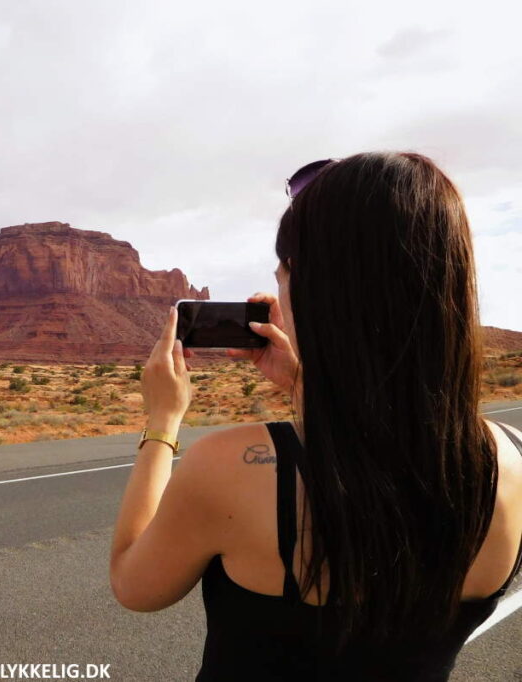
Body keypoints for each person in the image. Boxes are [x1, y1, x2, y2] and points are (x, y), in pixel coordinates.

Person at [108, 151, 522, 681]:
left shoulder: (231, 467)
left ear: (316, 288)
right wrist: (305, 384)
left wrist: (162, 424)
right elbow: (381, 456)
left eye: (284, 273)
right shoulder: (508, 462)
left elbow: (134, 584)